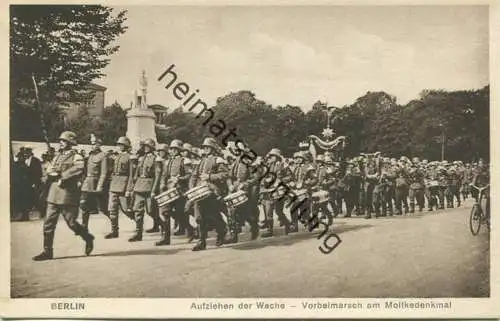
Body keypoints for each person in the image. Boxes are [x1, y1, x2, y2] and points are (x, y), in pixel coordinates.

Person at [33, 131, 94, 261]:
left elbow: (78, 169)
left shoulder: (76, 156)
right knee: (48, 223)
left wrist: (63, 176)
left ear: (70, 143)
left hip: (68, 193)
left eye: (64, 141)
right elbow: (50, 169)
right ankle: (47, 251)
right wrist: (48, 175)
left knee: (71, 223)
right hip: (54, 193)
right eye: (61, 140)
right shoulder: (57, 155)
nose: (61, 142)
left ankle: (87, 237)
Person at [189, 137, 229, 251]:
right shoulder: (201, 161)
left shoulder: (218, 160)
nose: (206, 149)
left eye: (208, 147)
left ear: (212, 148)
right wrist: (192, 188)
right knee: (199, 217)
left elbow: (225, 175)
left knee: (213, 215)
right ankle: (201, 242)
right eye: (204, 147)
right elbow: (194, 176)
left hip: (213, 191)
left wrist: (210, 177)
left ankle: (221, 230)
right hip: (199, 192)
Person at [156, 140, 190, 246]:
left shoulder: (185, 161)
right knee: (165, 212)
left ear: (180, 150)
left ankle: (191, 230)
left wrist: (180, 179)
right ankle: (165, 238)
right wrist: (162, 184)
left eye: (175, 149)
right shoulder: (168, 161)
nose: (173, 151)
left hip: (180, 190)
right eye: (172, 149)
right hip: (169, 190)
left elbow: (190, 175)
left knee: (180, 214)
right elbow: (164, 175)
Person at [127, 138, 162, 242]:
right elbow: (136, 174)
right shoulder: (141, 158)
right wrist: (132, 187)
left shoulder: (156, 159)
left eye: (148, 147)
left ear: (152, 148)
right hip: (139, 187)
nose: (146, 148)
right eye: (145, 147)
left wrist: (154, 190)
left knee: (151, 211)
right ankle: (138, 234)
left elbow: (157, 176)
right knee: (138, 211)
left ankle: (164, 227)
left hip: (149, 187)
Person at [105, 136, 134, 239]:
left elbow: (131, 174)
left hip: (123, 185)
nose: (119, 146)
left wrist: (129, 189)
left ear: (126, 146)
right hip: (114, 185)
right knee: (112, 210)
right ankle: (114, 231)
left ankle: (139, 223)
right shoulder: (117, 156)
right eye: (119, 144)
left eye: (121, 145)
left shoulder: (130, 157)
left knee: (127, 210)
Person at [80, 137, 109, 231]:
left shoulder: (103, 155)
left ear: (99, 145)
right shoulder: (90, 155)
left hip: (96, 184)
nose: (92, 145)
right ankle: (84, 227)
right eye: (92, 144)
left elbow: (103, 172)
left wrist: (100, 185)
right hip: (87, 183)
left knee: (104, 208)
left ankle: (114, 225)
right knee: (84, 205)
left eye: (95, 144)